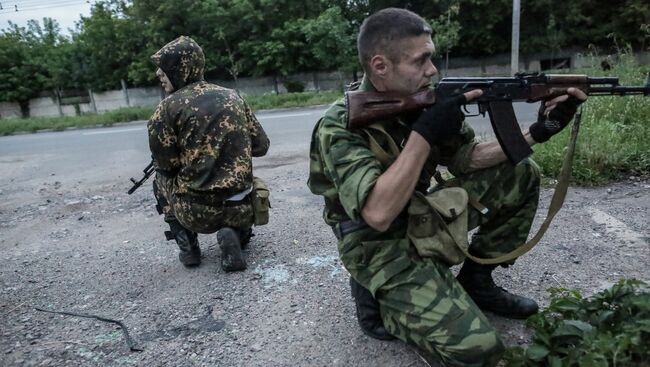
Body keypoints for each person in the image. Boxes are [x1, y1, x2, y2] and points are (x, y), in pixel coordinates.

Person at [307, 8, 586, 366]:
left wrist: (537, 133)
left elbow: (467, 158)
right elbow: (377, 213)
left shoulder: (424, 99)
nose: (433, 70)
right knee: (479, 349)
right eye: (421, 60)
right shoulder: (340, 126)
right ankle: (380, 301)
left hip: (419, 213)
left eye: (432, 57)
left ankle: (478, 282)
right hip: (373, 241)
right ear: (380, 66)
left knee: (521, 171)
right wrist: (424, 133)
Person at [148, 36, 270, 272]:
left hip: (195, 213)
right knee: (245, 180)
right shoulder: (234, 97)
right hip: (241, 208)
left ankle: (189, 248)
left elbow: (166, 164)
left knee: (160, 179)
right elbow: (261, 147)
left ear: (180, 69)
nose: (158, 75)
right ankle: (236, 232)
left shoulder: (165, 109)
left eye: (164, 69)